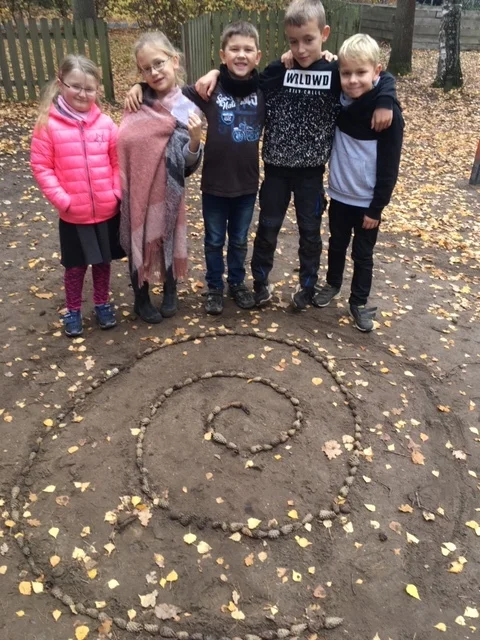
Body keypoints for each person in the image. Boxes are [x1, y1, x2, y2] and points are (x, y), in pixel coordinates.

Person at [196, 0, 395, 310]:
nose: (301, 49)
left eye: (308, 40)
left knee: (310, 233)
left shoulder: (335, 72)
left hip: (311, 174)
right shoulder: (279, 70)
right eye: (294, 42)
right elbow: (243, 80)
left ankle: (307, 287)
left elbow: (377, 79)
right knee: (267, 229)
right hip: (275, 170)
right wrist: (214, 73)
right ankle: (260, 283)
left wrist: (387, 98)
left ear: (324, 34)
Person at [125, 22, 264, 316]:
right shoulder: (200, 93)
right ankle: (213, 287)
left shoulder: (260, 89)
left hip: (246, 183)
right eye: (234, 49)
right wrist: (138, 86)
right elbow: (163, 90)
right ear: (223, 54)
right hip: (211, 185)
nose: (241, 54)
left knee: (239, 240)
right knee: (213, 240)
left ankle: (236, 283)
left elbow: (280, 74)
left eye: (247, 49)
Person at [313, 34, 404, 332]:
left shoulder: (386, 114)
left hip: (367, 203)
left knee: (363, 255)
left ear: (376, 72)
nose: (352, 80)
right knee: (336, 245)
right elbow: (316, 66)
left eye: (361, 73)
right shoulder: (338, 100)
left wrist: (377, 208)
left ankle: (359, 302)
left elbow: (389, 166)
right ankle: (332, 284)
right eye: (346, 73)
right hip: (340, 196)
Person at [31, 54, 123, 337]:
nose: (83, 94)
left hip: (105, 209)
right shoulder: (48, 125)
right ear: (61, 83)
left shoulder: (105, 124)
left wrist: (116, 192)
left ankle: (102, 303)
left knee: (102, 262)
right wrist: (63, 200)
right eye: (76, 86)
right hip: (74, 214)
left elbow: (118, 161)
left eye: (89, 88)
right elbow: (41, 166)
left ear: (97, 90)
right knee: (75, 266)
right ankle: (73, 310)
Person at [118, 32, 203, 324]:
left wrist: (195, 141)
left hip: (168, 188)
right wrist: (137, 87)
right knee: (138, 236)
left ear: (174, 61)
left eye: (159, 63)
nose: (154, 72)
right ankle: (140, 298)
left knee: (168, 234)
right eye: (146, 68)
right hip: (136, 188)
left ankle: (170, 289)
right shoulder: (137, 99)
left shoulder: (188, 106)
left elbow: (188, 166)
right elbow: (125, 140)